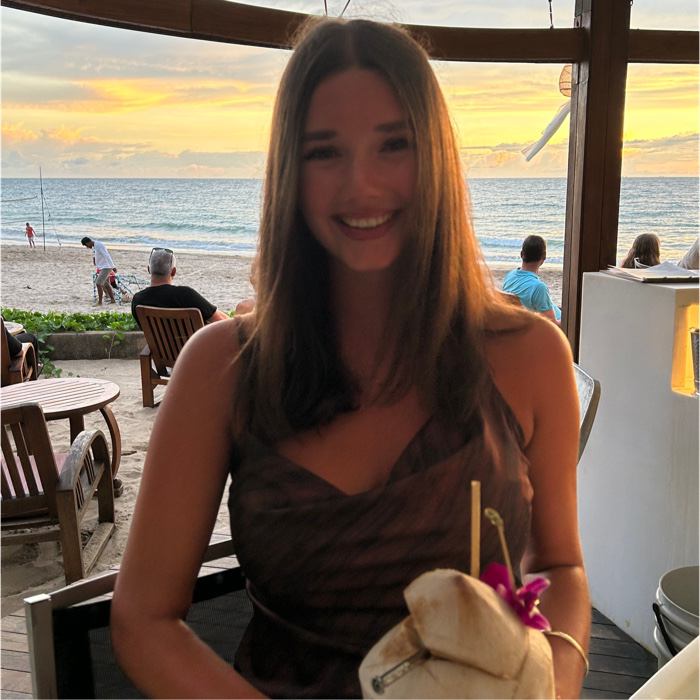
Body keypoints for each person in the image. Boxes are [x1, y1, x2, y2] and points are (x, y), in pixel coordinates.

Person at [112, 18, 589, 699]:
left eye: (394, 144)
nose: (361, 184)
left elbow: (560, 565)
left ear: (435, 157)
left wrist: (553, 682)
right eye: (324, 152)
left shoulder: (531, 354)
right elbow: (143, 619)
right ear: (290, 173)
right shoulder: (220, 369)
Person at [130, 248, 229, 326]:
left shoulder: (138, 300)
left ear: (149, 269)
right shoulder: (185, 295)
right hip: (193, 346)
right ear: (173, 271)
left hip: (159, 346)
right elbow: (221, 320)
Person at [502, 235, 561, 323]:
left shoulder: (510, 276)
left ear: (521, 254)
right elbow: (553, 324)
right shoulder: (538, 288)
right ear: (544, 257)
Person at [81, 236, 117, 305]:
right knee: (106, 284)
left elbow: (106, 255)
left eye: (86, 245)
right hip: (102, 267)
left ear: (88, 242)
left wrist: (113, 266)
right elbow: (95, 254)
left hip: (106, 267)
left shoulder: (98, 245)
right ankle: (113, 300)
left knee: (98, 283)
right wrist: (95, 260)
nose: (87, 247)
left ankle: (100, 302)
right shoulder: (94, 246)